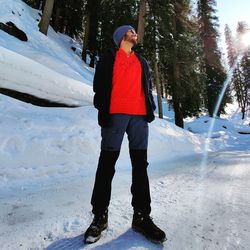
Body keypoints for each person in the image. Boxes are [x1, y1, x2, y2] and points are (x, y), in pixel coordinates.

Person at [84, 25, 166, 244]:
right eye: (130, 31)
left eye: (134, 31)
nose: (134, 33)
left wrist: (150, 109)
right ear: (120, 37)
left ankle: (141, 216)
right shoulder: (109, 58)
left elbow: (147, 88)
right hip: (115, 116)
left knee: (141, 166)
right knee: (106, 165)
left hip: (139, 118)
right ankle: (99, 216)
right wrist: (103, 110)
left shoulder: (142, 61)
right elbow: (99, 87)